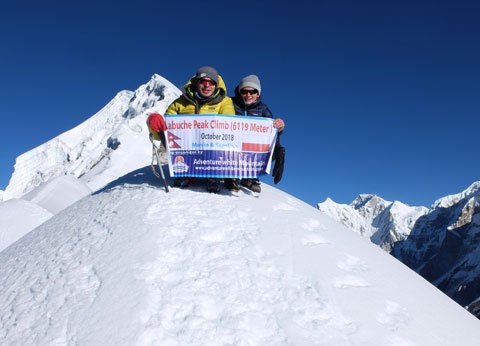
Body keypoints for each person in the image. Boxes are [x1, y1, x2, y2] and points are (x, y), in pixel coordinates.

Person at [147, 66, 235, 193]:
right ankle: (186, 173)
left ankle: (213, 175)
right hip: (187, 148)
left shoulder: (225, 102)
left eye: (211, 83)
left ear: (216, 85)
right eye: (203, 82)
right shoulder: (180, 103)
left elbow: (230, 126)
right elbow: (165, 130)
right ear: (197, 83)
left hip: (212, 149)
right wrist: (153, 123)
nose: (207, 86)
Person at [228, 74, 285, 193]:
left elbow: (270, 135)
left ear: (257, 94)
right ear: (239, 92)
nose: (248, 95)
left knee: (269, 148)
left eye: (252, 91)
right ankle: (230, 174)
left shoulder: (263, 110)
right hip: (232, 145)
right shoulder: (230, 103)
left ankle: (249, 177)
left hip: (250, 147)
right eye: (244, 91)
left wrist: (278, 129)